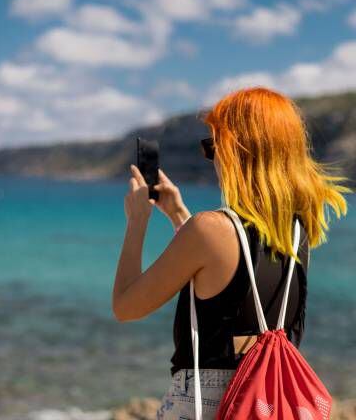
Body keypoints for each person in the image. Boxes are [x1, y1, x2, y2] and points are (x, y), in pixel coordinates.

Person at [112, 86, 351, 420]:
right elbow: (232, 277)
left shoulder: (209, 230)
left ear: (238, 152)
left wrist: (137, 221)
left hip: (207, 402)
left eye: (214, 146)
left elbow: (125, 306)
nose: (214, 160)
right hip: (269, 401)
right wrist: (180, 215)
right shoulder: (298, 234)